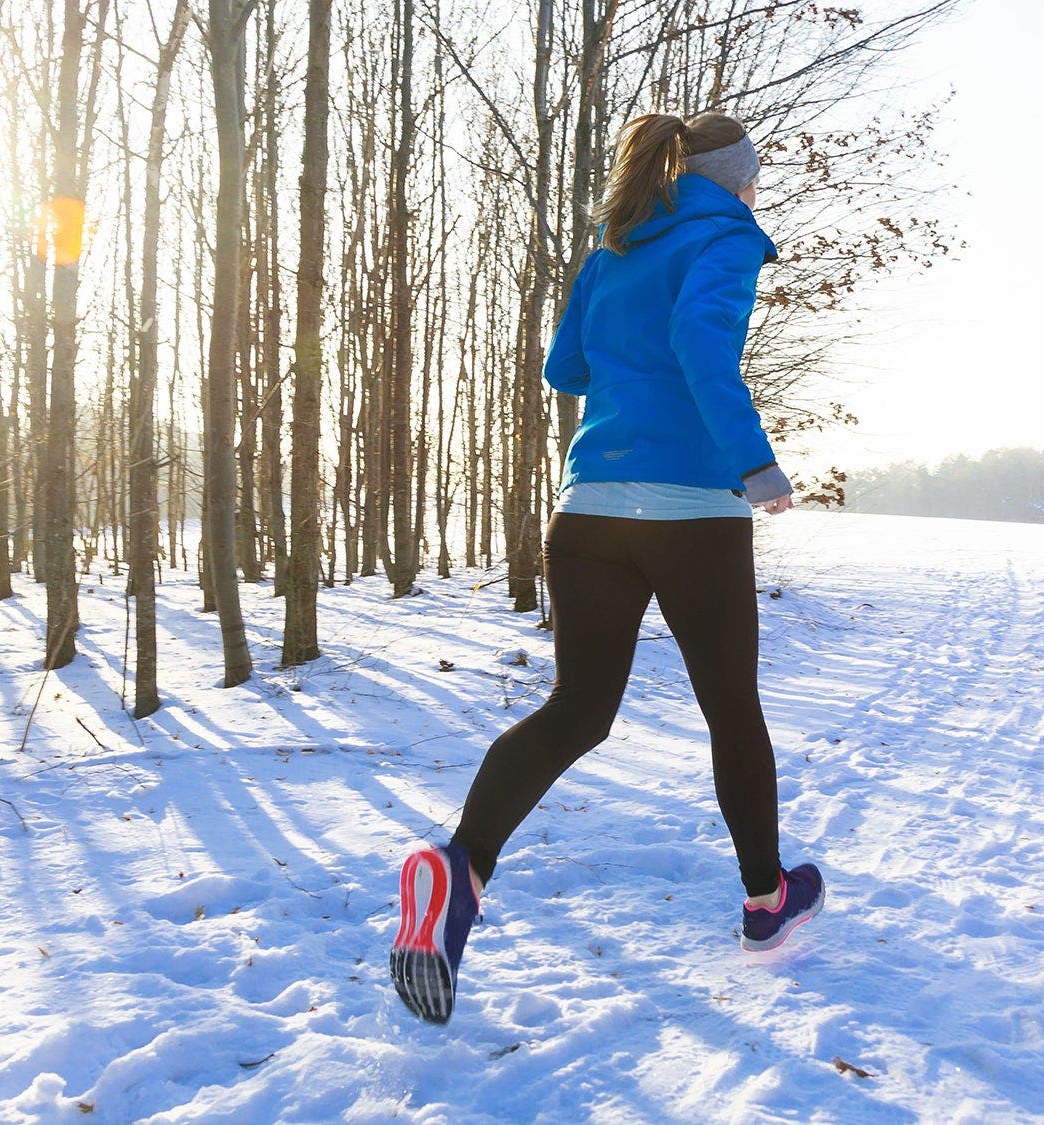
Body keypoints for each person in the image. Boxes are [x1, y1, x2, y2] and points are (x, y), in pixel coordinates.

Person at [389, 111, 825, 1025]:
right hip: (692, 510)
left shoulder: (615, 243)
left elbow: (565, 367)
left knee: (577, 710)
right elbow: (702, 348)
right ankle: (764, 902)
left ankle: (460, 868)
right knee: (730, 711)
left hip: (587, 508)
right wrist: (754, 461)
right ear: (739, 180)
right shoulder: (726, 237)